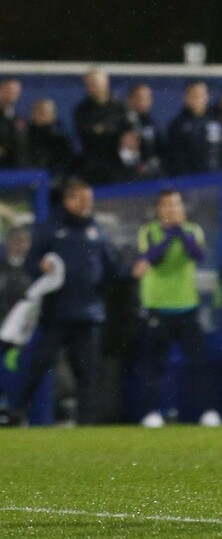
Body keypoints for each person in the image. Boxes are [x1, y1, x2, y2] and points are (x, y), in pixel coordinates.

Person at [12, 180, 130, 424]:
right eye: (83, 199)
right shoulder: (51, 228)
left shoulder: (96, 230)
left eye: (90, 200)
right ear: (68, 200)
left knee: (87, 372)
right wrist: (41, 266)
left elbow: (111, 268)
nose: (88, 204)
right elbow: (30, 264)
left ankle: (85, 424)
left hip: (88, 314)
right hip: (56, 312)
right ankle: (17, 412)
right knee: (40, 364)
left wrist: (130, 271)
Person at [133, 189, 222, 427]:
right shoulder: (149, 231)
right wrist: (170, 234)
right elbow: (154, 257)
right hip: (157, 306)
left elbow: (197, 254)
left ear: (182, 208)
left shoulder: (193, 230)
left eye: (176, 204)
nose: (172, 209)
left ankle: (207, 411)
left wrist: (179, 231)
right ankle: (152, 412)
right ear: (159, 209)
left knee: (199, 362)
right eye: (167, 205)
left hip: (187, 306)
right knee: (154, 364)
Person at [73, 68, 130, 184]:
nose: (91, 87)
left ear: (106, 83)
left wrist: (101, 129)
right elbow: (86, 134)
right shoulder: (81, 110)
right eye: (88, 84)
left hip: (118, 168)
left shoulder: (121, 108)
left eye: (95, 83)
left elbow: (127, 134)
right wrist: (110, 128)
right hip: (92, 170)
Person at [167, 80, 222, 176]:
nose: (197, 98)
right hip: (188, 180)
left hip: (216, 179)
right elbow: (174, 158)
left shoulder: (218, 123)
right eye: (193, 95)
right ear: (186, 97)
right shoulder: (177, 125)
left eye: (200, 95)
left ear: (207, 96)